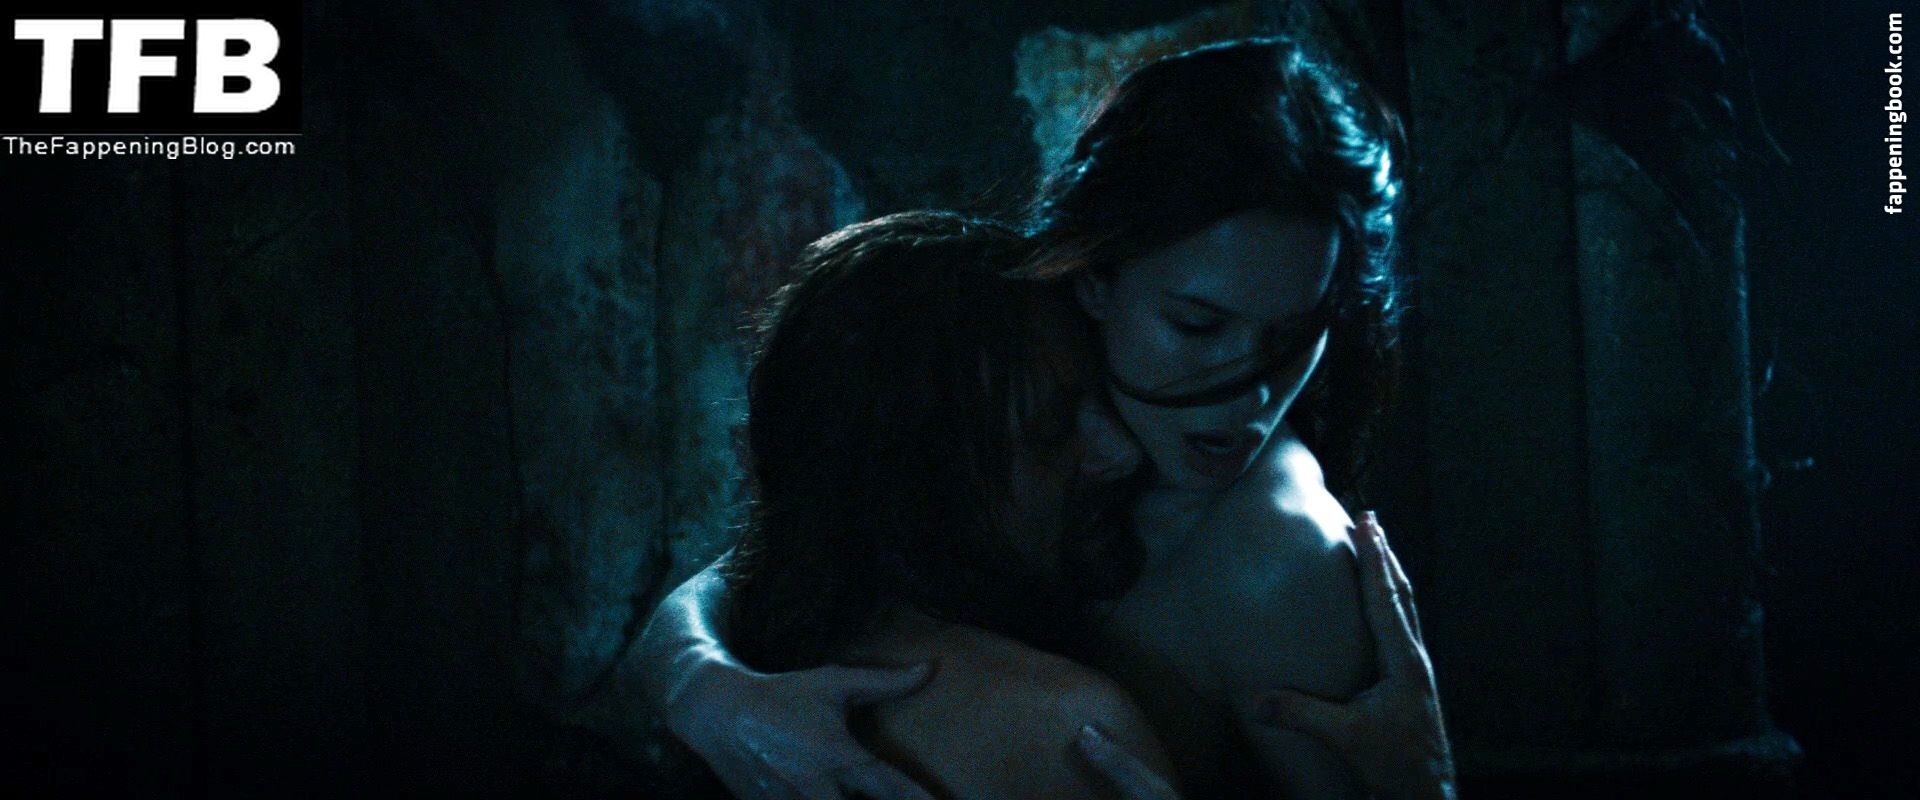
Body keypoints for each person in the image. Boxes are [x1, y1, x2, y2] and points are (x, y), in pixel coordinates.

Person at [637, 37, 1456, 799]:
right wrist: (704, 682)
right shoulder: (1017, 360)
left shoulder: (1276, 561)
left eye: (1292, 335)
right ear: (1095, 278)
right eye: (1197, 325)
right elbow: (813, 534)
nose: (1250, 392)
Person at [680, 209, 1177, 799]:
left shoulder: (749, 641)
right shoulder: (1072, 728)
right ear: (925, 476)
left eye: (1106, 401)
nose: (1123, 453)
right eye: (1053, 428)